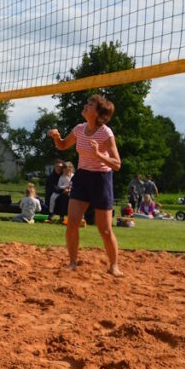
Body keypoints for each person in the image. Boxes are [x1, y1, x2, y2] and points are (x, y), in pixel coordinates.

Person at [48, 94, 123, 276]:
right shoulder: (80, 129)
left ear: (97, 113)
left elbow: (117, 164)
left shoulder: (105, 133)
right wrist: (56, 138)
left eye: (90, 104)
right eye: (87, 102)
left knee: (104, 229)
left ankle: (114, 265)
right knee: (72, 222)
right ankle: (73, 262)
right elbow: (64, 145)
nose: (86, 106)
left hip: (101, 180)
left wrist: (99, 155)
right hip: (82, 178)